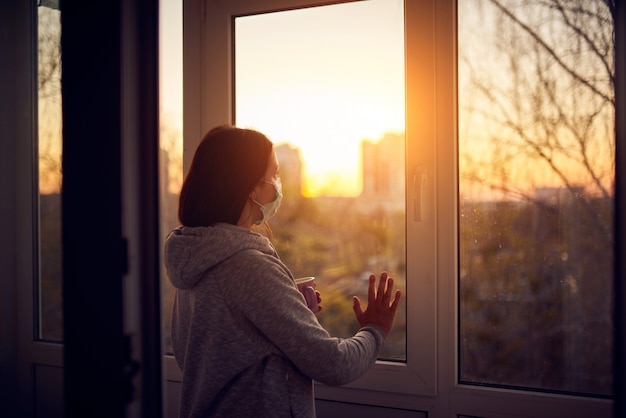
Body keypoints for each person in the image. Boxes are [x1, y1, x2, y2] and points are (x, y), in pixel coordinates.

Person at [164, 125, 401, 418]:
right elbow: (333, 364)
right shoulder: (247, 265)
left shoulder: (195, 256)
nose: (278, 184)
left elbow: (204, 355)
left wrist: (287, 312)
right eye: (274, 174)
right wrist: (375, 330)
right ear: (251, 188)